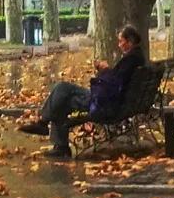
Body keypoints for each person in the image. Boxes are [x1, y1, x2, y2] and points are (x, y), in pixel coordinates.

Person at [19, 24, 146, 159]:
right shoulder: (137, 57)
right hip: (114, 101)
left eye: (121, 41)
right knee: (61, 94)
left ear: (130, 41)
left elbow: (114, 84)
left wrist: (105, 70)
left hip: (104, 103)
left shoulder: (131, 60)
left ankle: (49, 131)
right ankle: (48, 130)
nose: (119, 44)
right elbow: (118, 81)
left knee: (62, 92)